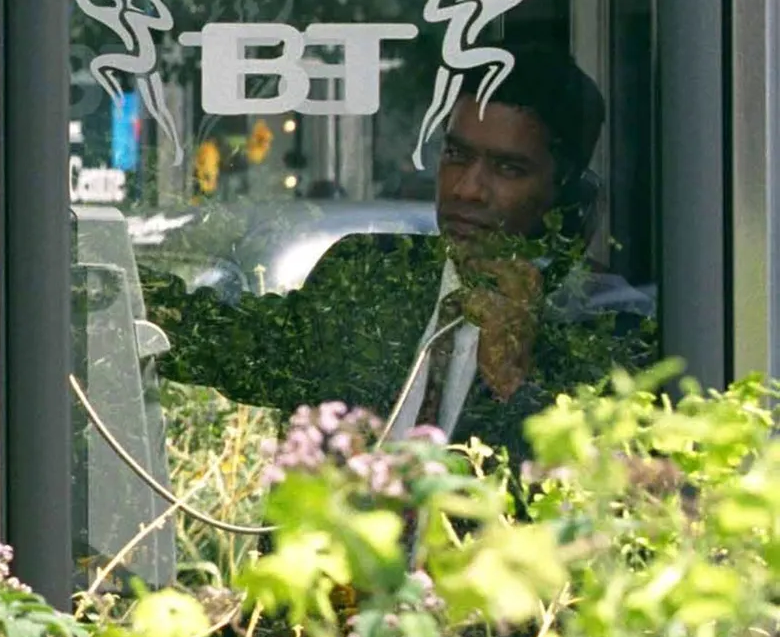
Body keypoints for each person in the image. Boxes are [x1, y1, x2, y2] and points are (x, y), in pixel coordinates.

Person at [141, 44, 654, 473]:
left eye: (507, 169)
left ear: (565, 192)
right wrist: (100, 288)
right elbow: (235, 344)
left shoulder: (605, 329)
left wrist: (514, 379)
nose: (468, 189)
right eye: (456, 156)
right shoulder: (370, 274)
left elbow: (576, 501)